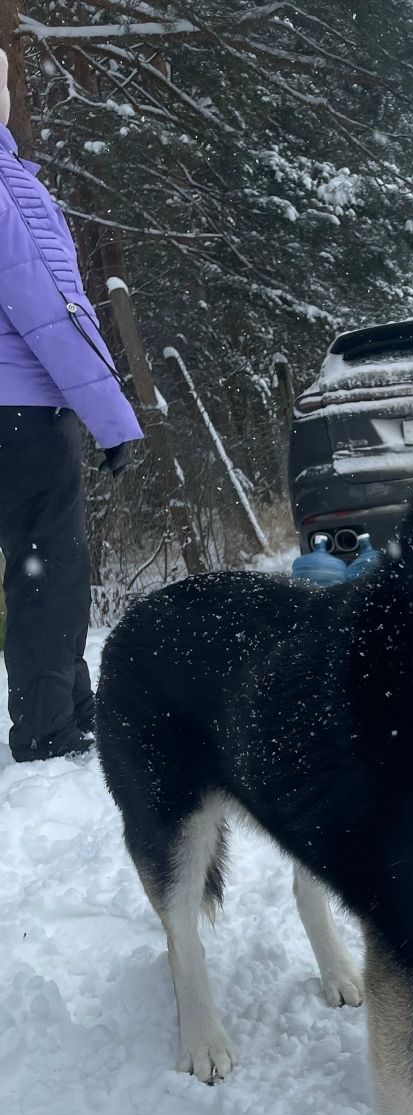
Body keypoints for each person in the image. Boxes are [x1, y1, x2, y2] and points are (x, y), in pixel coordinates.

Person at [0, 48, 142, 761]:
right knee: (46, 566)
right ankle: (50, 727)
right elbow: (49, 313)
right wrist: (112, 416)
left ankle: (70, 708)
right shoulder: (5, 188)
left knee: (39, 564)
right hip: (19, 412)